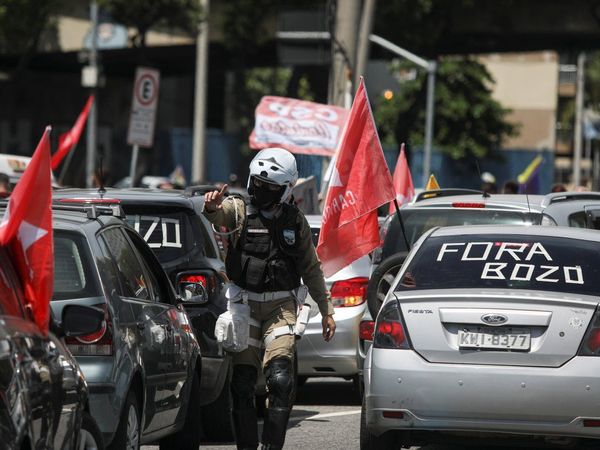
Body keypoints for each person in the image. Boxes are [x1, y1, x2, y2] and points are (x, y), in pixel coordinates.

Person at [203, 147, 336, 450]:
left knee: (280, 380)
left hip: (280, 308)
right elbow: (220, 214)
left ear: (287, 190)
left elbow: (311, 268)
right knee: (242, 384)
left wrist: (327, 310)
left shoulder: (296, 221)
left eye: (269, 187)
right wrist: (211, 206)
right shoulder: (238, 208)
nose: (261, 191)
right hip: (244, 304)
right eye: (257, 184)